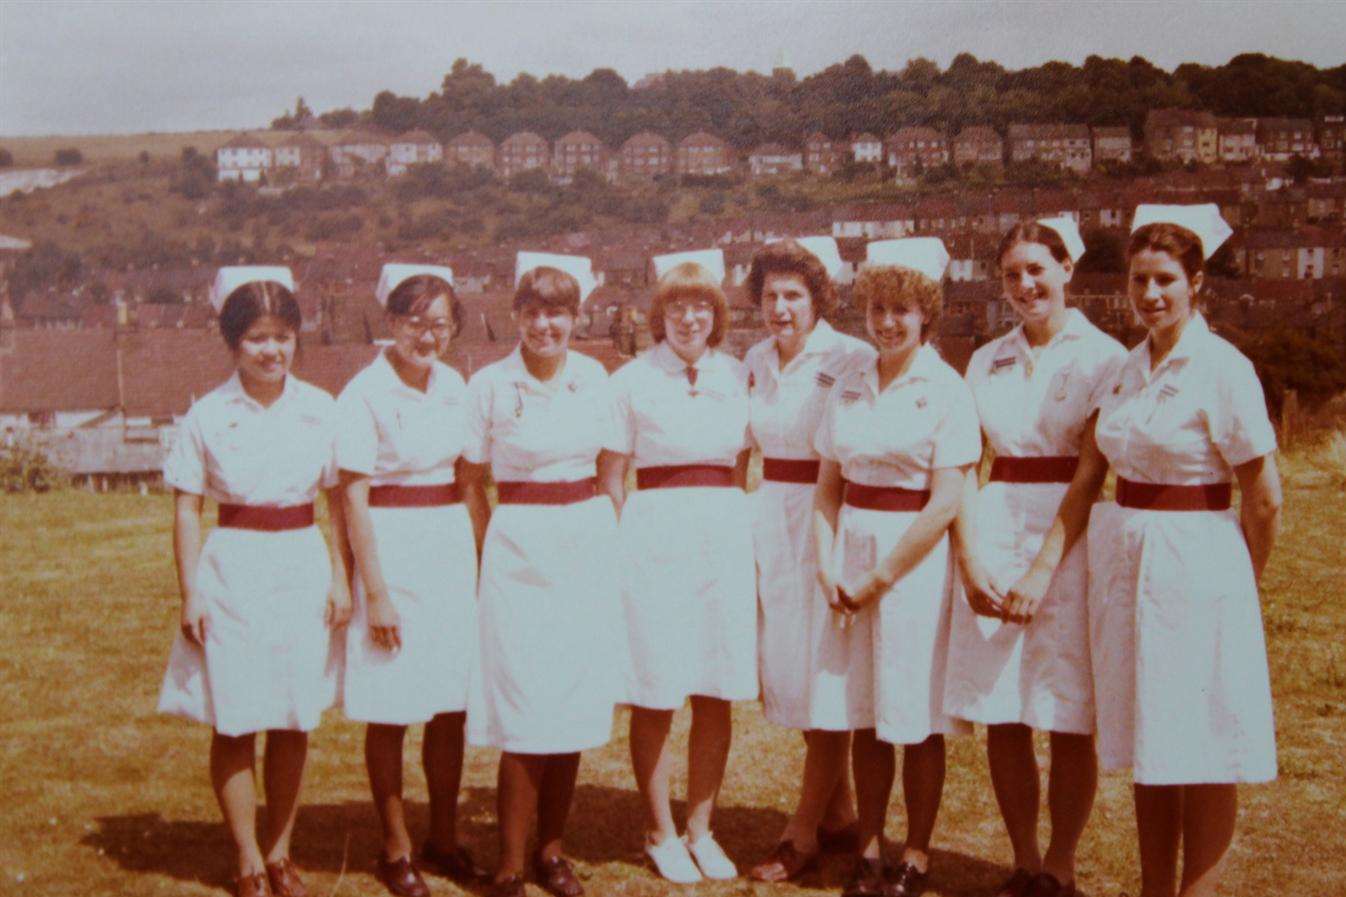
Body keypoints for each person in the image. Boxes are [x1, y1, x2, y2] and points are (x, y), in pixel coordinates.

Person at [1063, 204, 1278, 897]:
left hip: (1201, 563)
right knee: (1151, 737)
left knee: (1204, 740)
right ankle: (1155, 887)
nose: (1150, 295)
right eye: (1138, 281)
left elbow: (1265, 495)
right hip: (1131, 563)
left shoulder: (1223, 367)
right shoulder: (1126, 368)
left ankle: (1199, 891)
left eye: (1164, 280)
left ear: (1196, 284)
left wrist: (1242, 579)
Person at [943, 218, 1125, 897]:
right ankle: (1022, 860)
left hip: (1070, 538)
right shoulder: (984, 359)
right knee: (1005, 706)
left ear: (1066, 269)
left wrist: (1045, 564)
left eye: (1037, 270)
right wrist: (969, 557)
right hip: (996, 522)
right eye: (1013, 274)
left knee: (1068, 707)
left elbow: (1089, 472)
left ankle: (1061, 863)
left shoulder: (1105, 357)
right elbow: (964, 464)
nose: (1025, 285)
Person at [157, 266, 349, 897]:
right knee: (236, 719)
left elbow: (340, 501)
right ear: (232, 344)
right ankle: (244, 857)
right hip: (233, 569)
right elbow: (187, 507)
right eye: (258, 339)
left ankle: (280, 850)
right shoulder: (207, 416)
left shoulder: (321, 409)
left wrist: (341, 578)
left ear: (298, 338)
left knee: (293, 718)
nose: (272, 351)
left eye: (284, 336)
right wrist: (192, 591)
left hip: (300, 563)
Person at [812, 239, 980, 897]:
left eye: (901, 310)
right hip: (850, 552)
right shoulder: (850, 380)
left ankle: (917, 853)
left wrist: (881, 576)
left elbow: (946, 500)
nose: (886, 322)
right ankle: (870, 848)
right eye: (877, 308)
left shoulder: (945, 386)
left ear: (926, 314)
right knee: (866, 711)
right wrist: (827, 565)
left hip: (913, 562)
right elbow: (828, 484)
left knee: (917, 714)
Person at [461, 252, 625, 897]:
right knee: (524, 702)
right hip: (517, 547)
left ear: (576, 317)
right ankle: (508, 863)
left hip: (583, 542)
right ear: (516, 317)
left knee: (571, 701)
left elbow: (612, 469)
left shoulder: (595, 379)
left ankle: (552, 852)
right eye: (533, 312)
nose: (545, 325)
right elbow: (472, 481)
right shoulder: (489, 386)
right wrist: (484, 552)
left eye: (558, 312)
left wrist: (607, 541)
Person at [334, 264, 484, 897]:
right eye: (416, 322)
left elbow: (472, 483)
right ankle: (395, 847)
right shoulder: (361, 395)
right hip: (390, 550)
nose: (428, 336)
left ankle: (443, 837)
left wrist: (483, 565)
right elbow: (352, 500)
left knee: (450, 705)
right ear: (391, 323)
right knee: (391, 705)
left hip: (449, 548)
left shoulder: (457, 386)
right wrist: (376, 591)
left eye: (440, 323)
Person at [607, 249, 754, 884]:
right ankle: (659, 829)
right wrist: (632, 550)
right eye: (676, 305)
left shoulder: (738, 374)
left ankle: (701, 827)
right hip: (654, 538)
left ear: (716, 314)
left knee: (716, 688)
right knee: (658, 688)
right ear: (658, 312)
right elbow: (611, 479)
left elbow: (741, 467)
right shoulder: (631, 379)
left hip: (722, 533)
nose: (688, 317)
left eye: (700, 306)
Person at [742, 237, 874, 883]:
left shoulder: (851, 356)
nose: (781, 306)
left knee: (826, 676)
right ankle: (841, 811)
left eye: (794, 294)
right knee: (792, 673)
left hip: (831, 517)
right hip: (773, 518)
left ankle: (802, 830)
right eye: (770, 294)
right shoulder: (755, 358)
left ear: (818, 298)